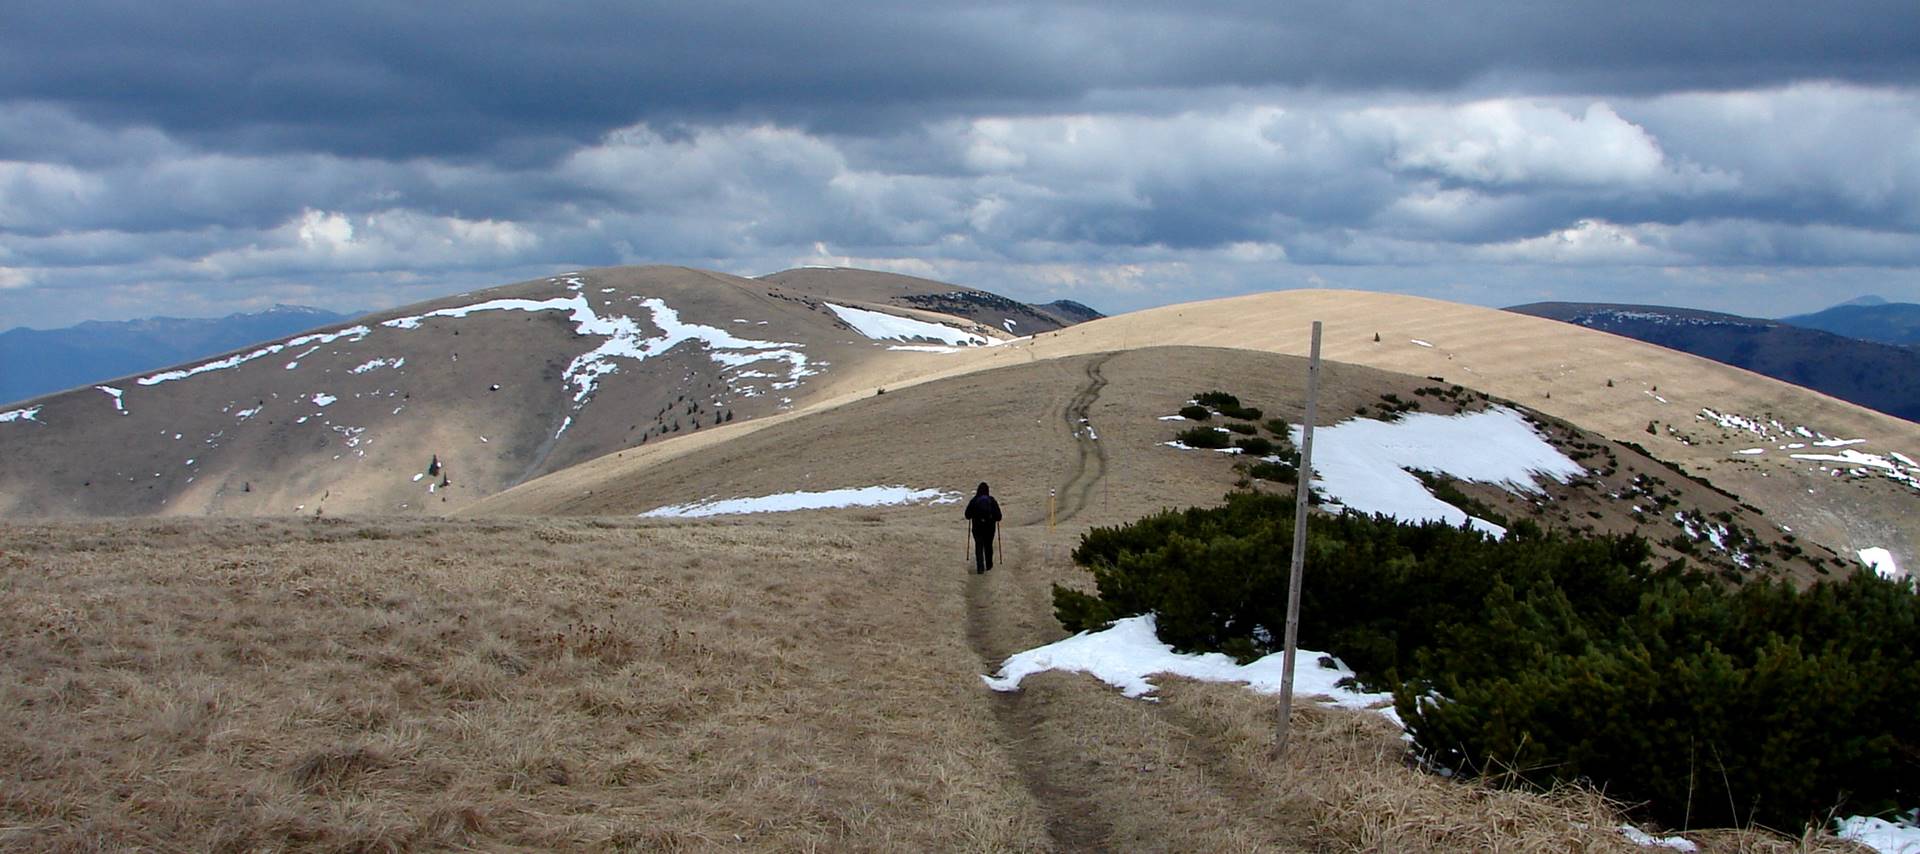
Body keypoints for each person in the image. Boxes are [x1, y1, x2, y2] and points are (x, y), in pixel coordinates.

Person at [964, 482, 1003, 574]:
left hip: (977, 528)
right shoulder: (991, 500)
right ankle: (989, 565)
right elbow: (999, 517)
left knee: (979, 546)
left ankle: (980, 567)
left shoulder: (974, 500)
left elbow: (967, 515)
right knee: (988, 546)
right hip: (989, 528)